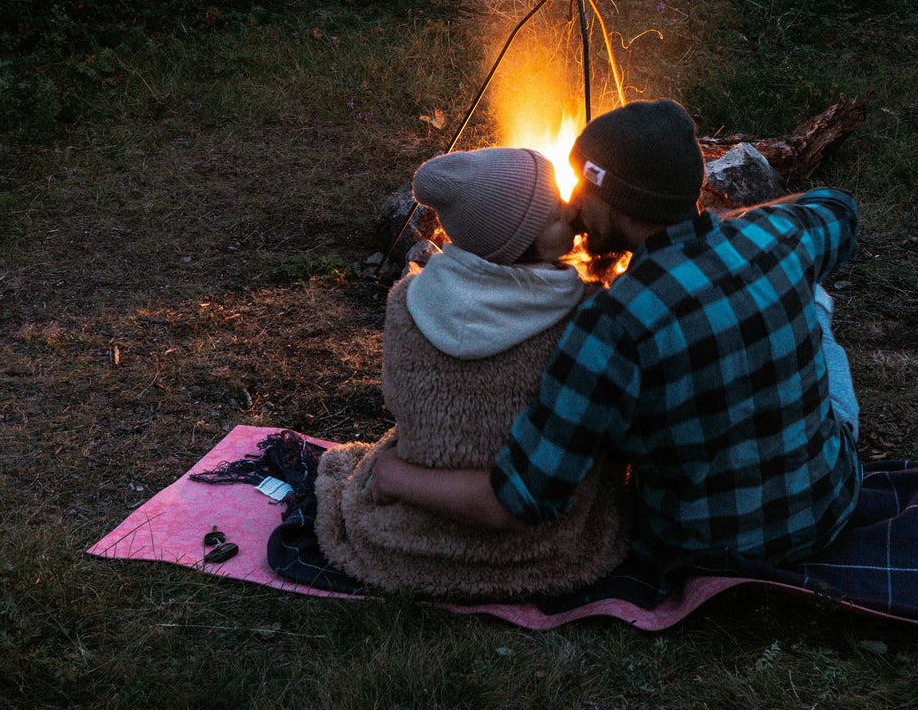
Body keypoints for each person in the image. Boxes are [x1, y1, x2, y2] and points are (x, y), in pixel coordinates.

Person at [371, 99, 863, 568]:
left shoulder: (612, 322)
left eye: (583, 191)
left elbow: (518, 499)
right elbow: (840, 208)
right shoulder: (780, 233)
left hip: (701, 546)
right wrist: (736, 226)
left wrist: (392, 474)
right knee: (815, 307)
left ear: (623, 203)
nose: (574, 206)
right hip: (829, 505)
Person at [313, 146, 629, 599]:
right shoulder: (582, 313)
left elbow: (401, 402)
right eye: (554, 212)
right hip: (539, 551)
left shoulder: (407, 301)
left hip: (407, 543)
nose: (571, 209)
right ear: (522, 243)